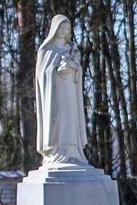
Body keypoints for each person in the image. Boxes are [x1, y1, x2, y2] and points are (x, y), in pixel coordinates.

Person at [35, 14, 88, 165]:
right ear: (55, 29)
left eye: (66, 28)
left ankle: (73, 151)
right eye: (61, 27)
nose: (64, 31)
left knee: (72, 118)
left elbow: (78, 69)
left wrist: (73, 67)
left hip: (70, 90)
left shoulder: (71, 49)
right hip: (55, 93)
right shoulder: (46, 50)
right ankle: (57, 152)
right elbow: (41, 75)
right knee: (58, 118)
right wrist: (56, 69)